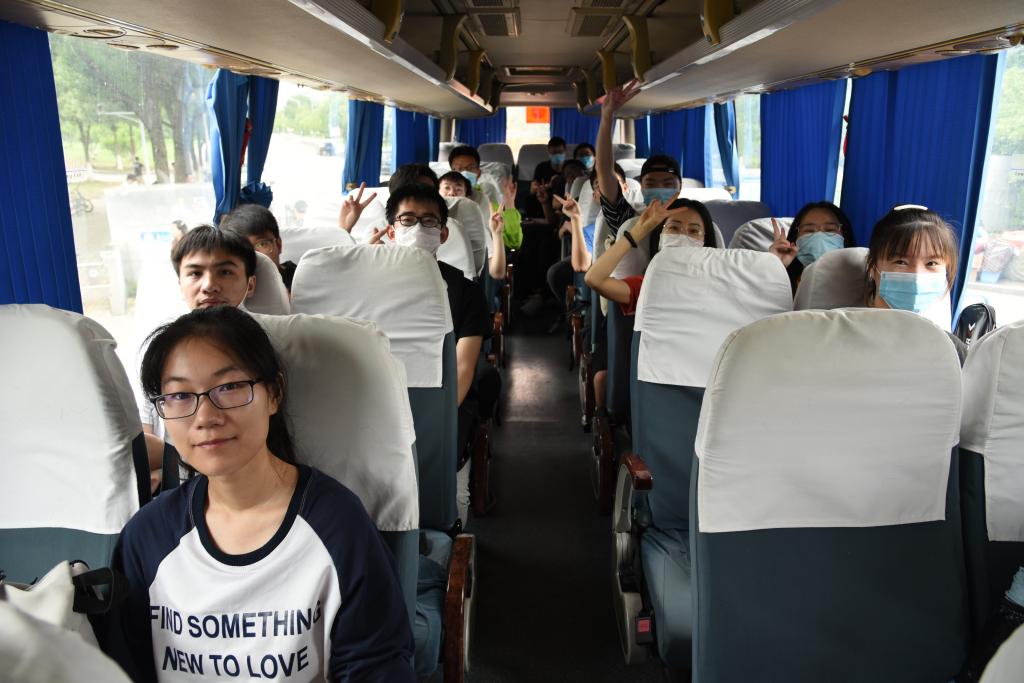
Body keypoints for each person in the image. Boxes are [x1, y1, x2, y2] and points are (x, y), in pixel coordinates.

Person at [97, 306, 415, 682]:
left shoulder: (338, 528)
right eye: (180, 395)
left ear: (274, 394)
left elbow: (375, 666)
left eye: (229, 387)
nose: (205, 417)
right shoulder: (148, 536)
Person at [378, 183, 495, 520]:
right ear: (391, 231)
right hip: (378, 400)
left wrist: (429, 419)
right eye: (407, 220)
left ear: (443, 234)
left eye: (429, 221)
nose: (418, 228)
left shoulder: (465, 292)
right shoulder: (369, 285)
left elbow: (462, 368)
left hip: (444, 400)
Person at [863, 205, 968, 362]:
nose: (917, 275)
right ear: (872, 268)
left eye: (931, 263)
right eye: (901, 262)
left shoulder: (953, 351)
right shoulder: (842, 339)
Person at [585, 197, 716, 316]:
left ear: (705, 241)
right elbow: (594, 279)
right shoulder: (647, 286)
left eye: (694, 231)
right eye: (674, 228)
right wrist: (637, 232)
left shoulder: (717, 284)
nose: (683, 236)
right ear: (660, 237)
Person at [597, 83, 682, 235]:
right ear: (641, 187)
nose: (659, 189)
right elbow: (604, 169)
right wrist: (607, 116)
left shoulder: (692, 218)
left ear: (680, 187)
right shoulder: (628, 218)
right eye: (651, 183)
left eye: (668, 183)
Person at [766, 201, 856, 291]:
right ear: (795, 240)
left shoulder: (859, 282)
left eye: (830, 229)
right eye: (809, 230)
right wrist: (776, 267)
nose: (819, 237)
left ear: (845, 238)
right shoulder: (784, 282)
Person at [220, 203, 298, 291]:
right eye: (241, 248)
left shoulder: (301, 280)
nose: (253, 255)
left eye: (262, 244)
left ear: (278, 245)